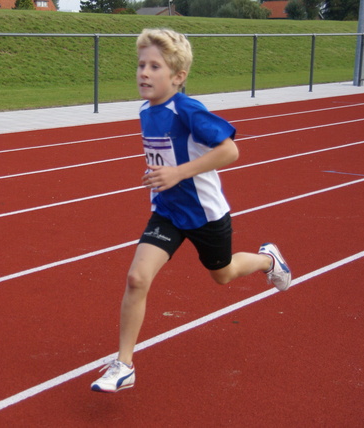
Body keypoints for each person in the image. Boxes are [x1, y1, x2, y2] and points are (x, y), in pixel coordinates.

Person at [90, 28, 292, 393]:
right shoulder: (146, 111)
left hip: (205, 215)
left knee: (224, 274)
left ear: (178, 76)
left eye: (154, 66)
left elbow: (230, 151)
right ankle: (124, 365)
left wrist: (176, 173)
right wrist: (158, 173)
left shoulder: (188, 110)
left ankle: (268, 261)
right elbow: (166, 157)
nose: (144, 73)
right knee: (137, 277)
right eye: (141, 65)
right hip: (167, 211)